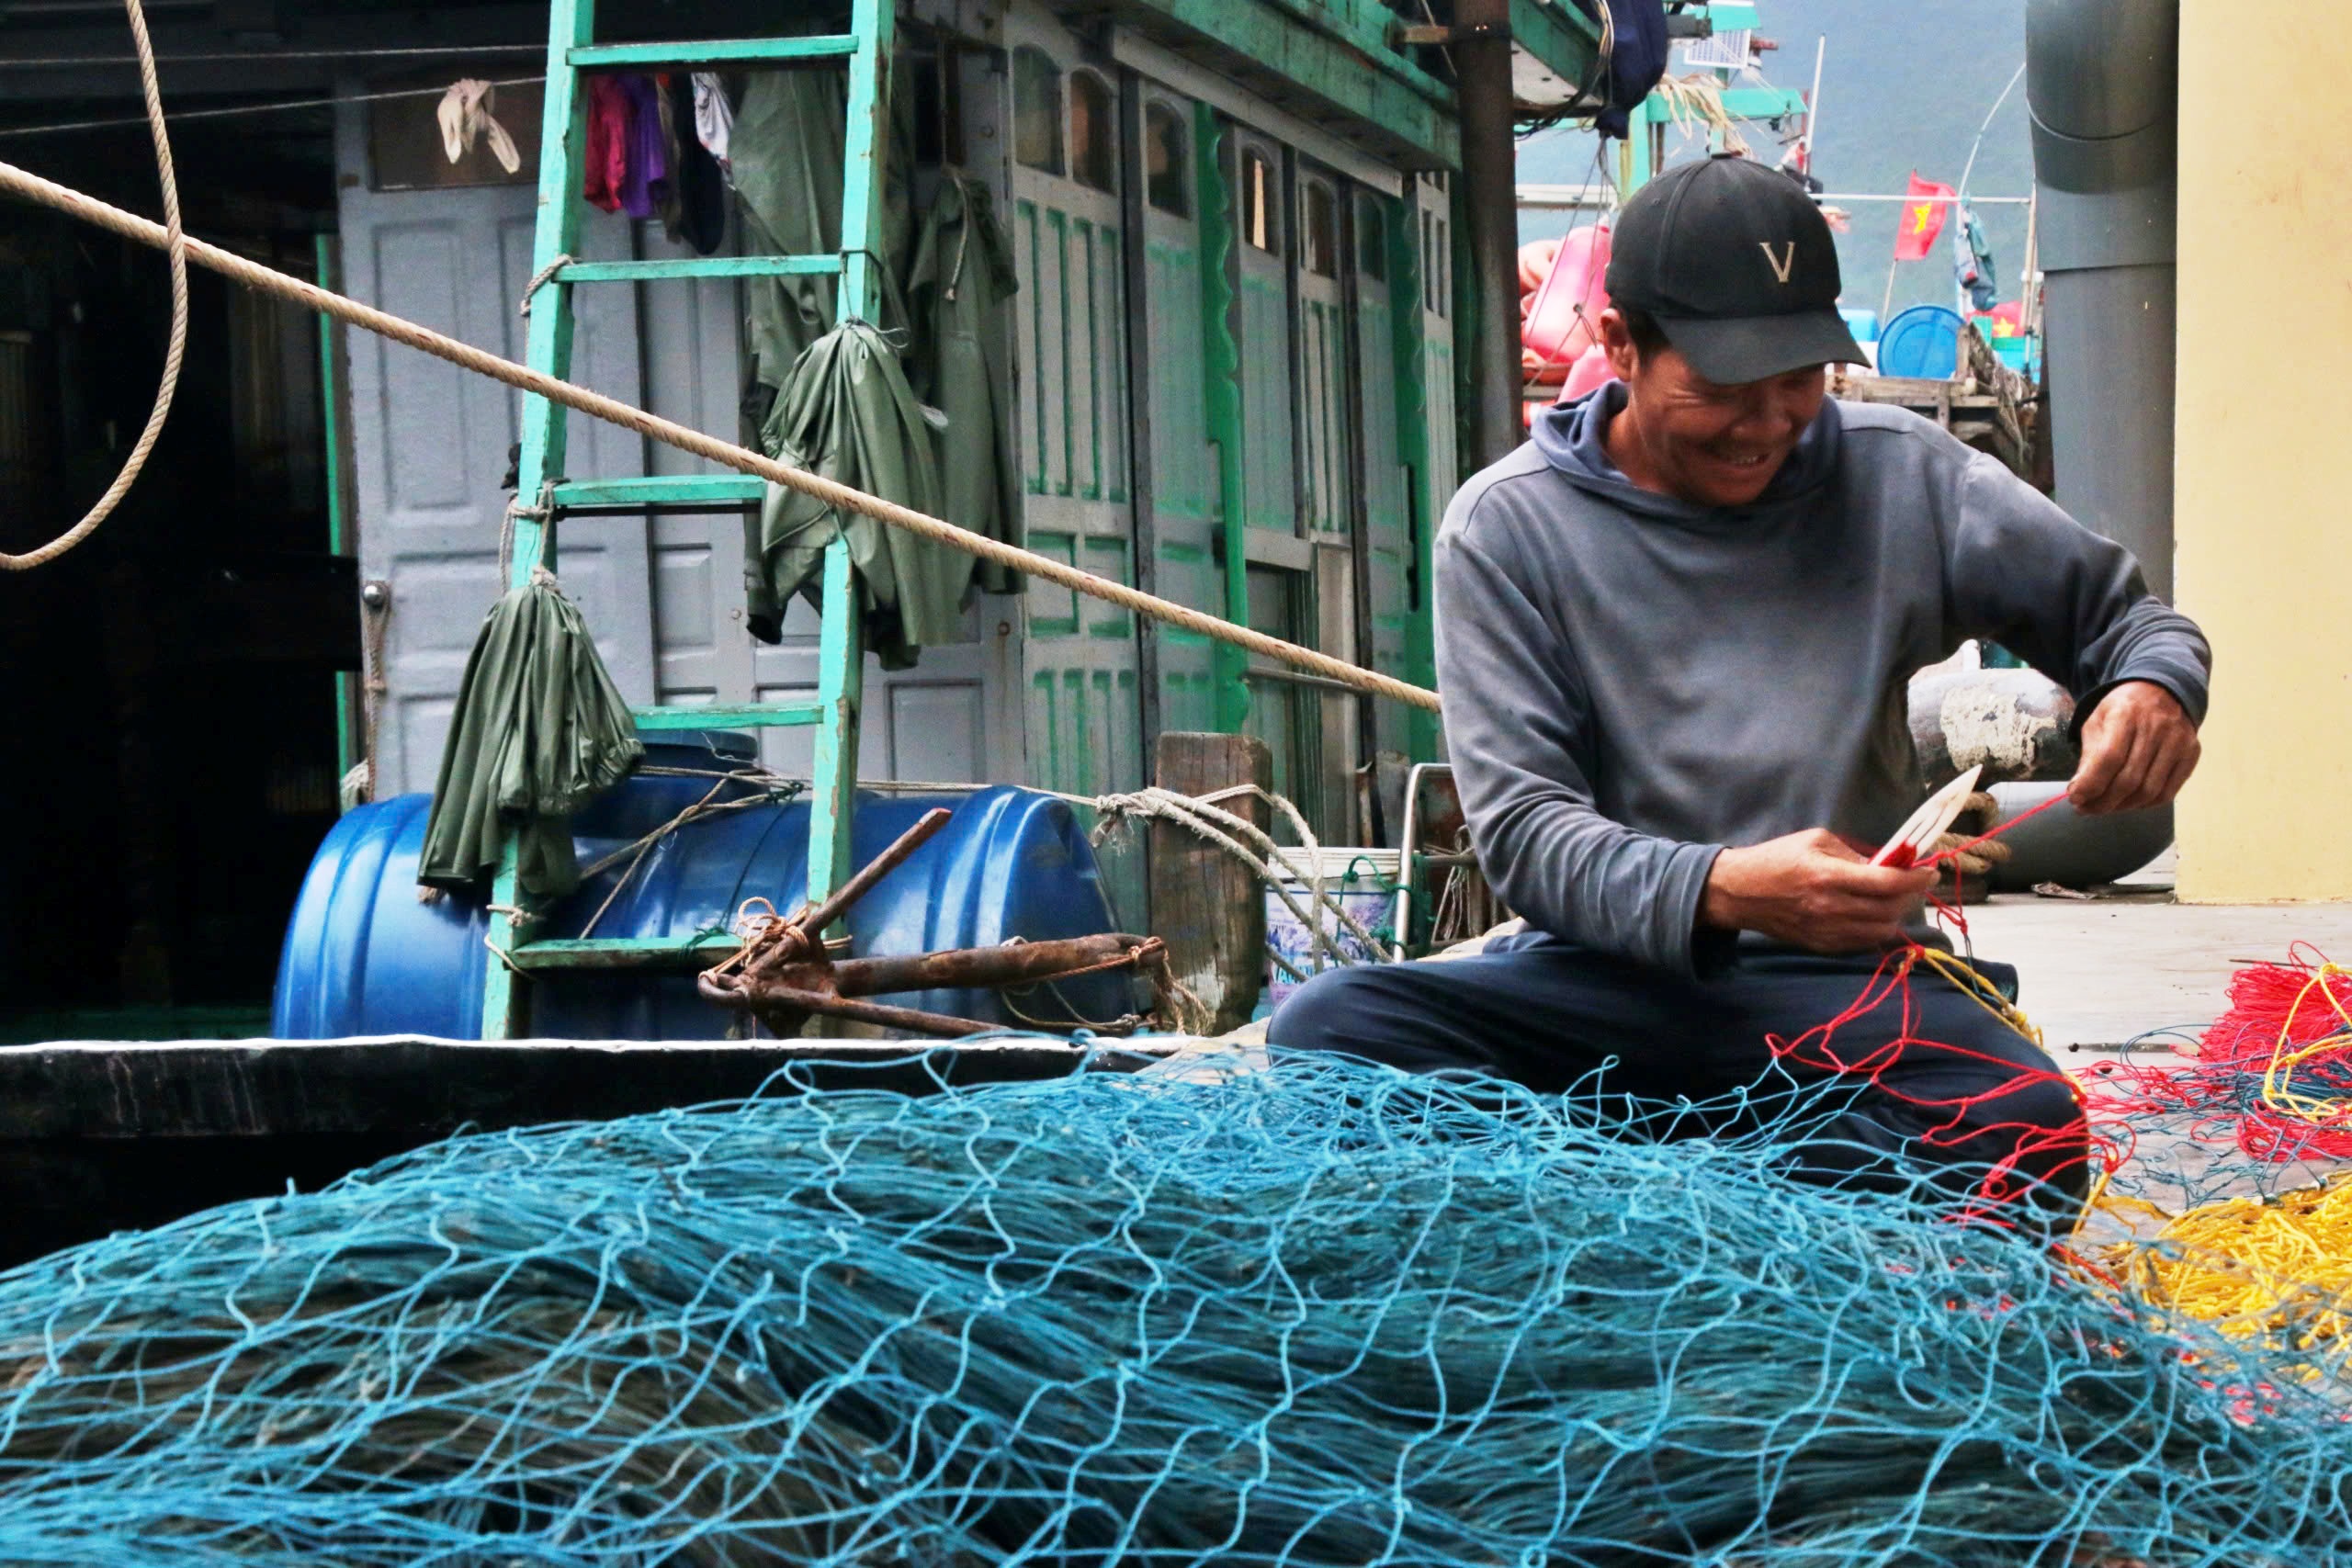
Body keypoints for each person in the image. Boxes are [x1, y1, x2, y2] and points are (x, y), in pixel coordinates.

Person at [1270, 153, 2209, 1224]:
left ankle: (1632, 1203)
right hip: (1598, 978)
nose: (1767, 424)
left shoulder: (1909, 477)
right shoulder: (1507, 528)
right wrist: (1724, 888)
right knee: (1334, 1032)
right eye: (1720, 391)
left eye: (1798, 382)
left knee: (2025, 1129)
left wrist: (2151, 686)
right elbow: (1527, 838)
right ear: (1618, 343)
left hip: (1842, 987)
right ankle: (1736, 1198)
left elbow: (2128, 622)